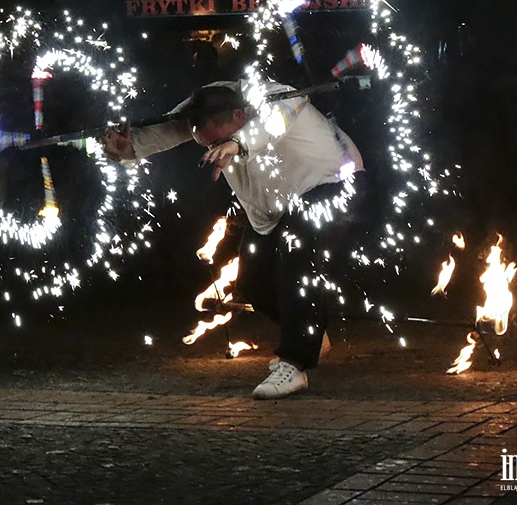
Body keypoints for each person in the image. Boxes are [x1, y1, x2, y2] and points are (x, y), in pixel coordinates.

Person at [103, 80, 365, 399]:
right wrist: (130, 147)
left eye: (220, 142)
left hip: (334, 182)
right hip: (276, 206)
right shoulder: (208, 101)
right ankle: (310, 331)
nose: (215, 151)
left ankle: (295, 363)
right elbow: (173, 128)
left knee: (297, 258)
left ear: (240, 115)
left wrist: (238, 145)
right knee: (251, 283)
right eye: (208, 144)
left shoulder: (275, 98)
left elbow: (275, 121)